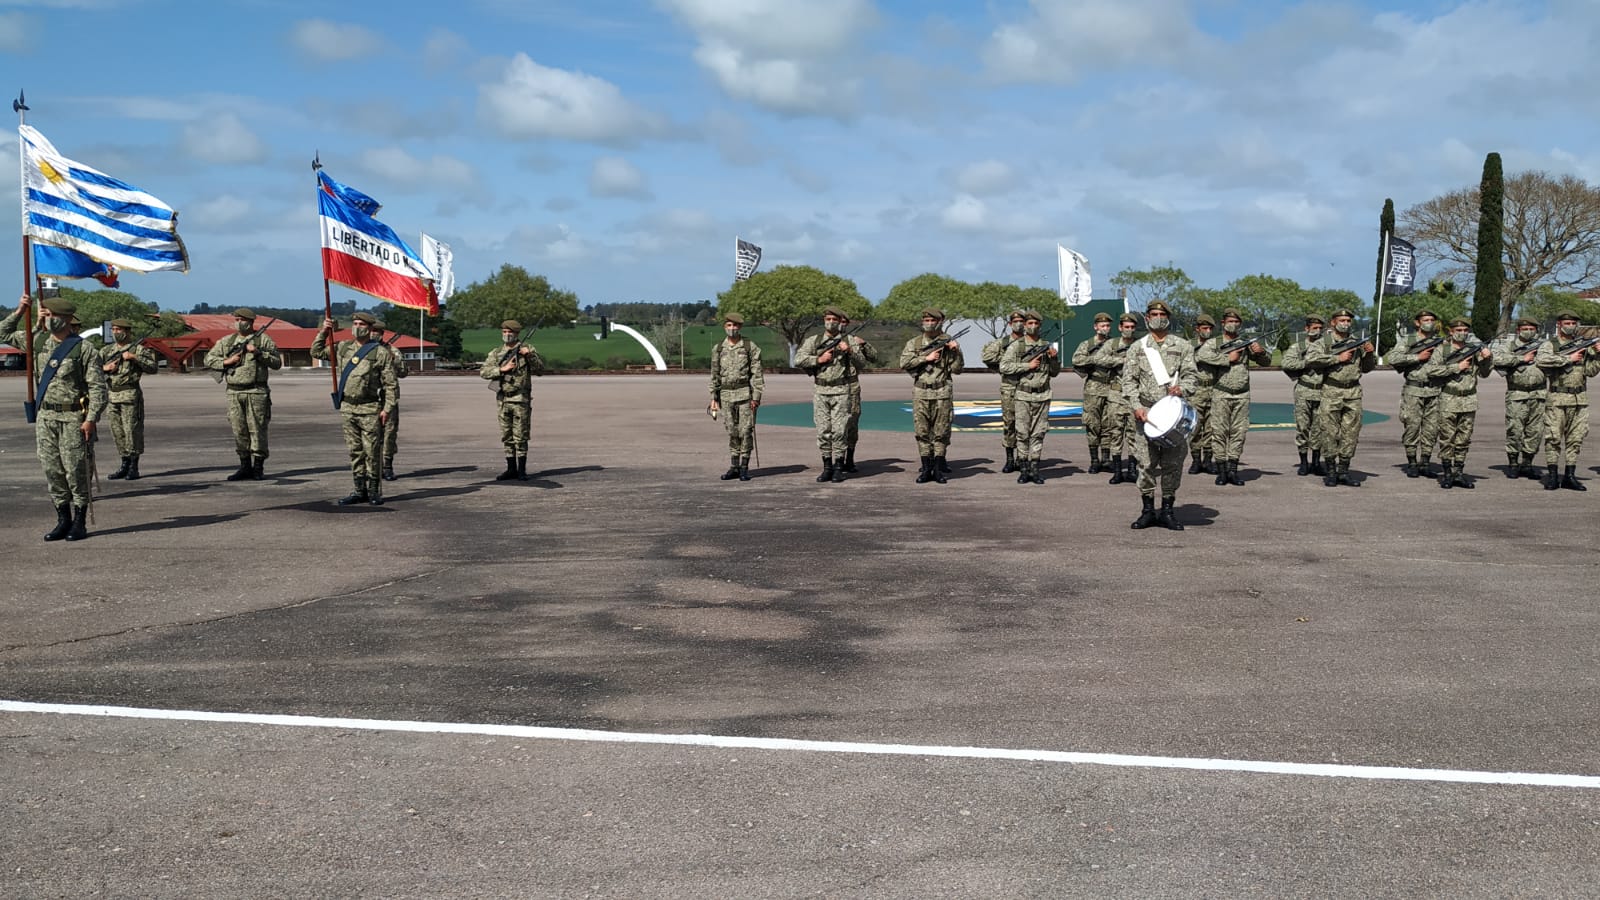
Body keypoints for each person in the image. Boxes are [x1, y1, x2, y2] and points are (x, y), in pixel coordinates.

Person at [2, 294, 107, 541]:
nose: (47, 320)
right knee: (52, 470)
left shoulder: (83, 348)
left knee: (76, 470)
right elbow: (3, 334)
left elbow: (98, 389)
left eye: (51, 316)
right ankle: (63, 519)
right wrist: (20, 311)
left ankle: (79, 521)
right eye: (45, 315)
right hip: (46, 417)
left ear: (66, 319)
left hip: (74, 418)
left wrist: (91, 419)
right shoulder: (37, 341)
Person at [1122, 300, 1197, 530]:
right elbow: (1128, 381)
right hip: (1146, 415)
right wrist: (1136, 406)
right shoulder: (1138, 347)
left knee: (1173, 464)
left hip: (1172, 414)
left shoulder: (1182, 346)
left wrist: (1182, 388)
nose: (1158, 317)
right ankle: (1147, 511)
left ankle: (1167, 510)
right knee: (1146, 464)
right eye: (1153, 314)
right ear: (1147, 318)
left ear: (1168, 318)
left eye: (1162, 314)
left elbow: (1191, 376)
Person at [313, 313, 399, 505]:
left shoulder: (379, 352)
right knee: (355, 451)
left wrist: (387, 409)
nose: (357, 327)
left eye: (361, 324)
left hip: (369, 407)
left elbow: (391, 385)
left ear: (369, 328)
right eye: (355, 323)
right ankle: (359, 489)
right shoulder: (343, 348)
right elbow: (316, 352)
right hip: (348, 407)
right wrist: (325, 332)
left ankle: (374, 491)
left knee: (372, 451)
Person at [203, 307, 282, 481]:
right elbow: (208, 359)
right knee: (239, 430)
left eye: (242, 320)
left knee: (257, 429)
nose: (239, 323)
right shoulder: (227, 341)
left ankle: (258, 467)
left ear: (251, 322)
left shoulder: (263, 340)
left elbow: (277, 363)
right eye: (237, 320)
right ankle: (244, 465)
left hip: (256, 391)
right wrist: (227, 361)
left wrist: (258, 352)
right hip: (234, 392)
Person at [1195, 308, 1271, 486]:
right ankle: (1221, 471)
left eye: (1236, 322)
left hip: (1242, 395)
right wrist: (1227, 358)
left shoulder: (1244, 343)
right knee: (1219, 433)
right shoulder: (1215, 343)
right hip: (1221, 393)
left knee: (1239, 433)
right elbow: (1201, 355)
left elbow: (1265, 362)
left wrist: (1260, 352)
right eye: (1230, 321)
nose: (1233, 324)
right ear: (1223, 324)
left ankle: (1233, 469)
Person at [1304, 307, 1376, 486]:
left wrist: (1369, 353)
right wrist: (1337, 358)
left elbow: (1366, 368)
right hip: (1331, 391)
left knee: (1350, 433)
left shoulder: (1356, 342)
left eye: (1348, 321)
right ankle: (1330, 471)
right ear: (1333, 323)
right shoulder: (1324, 341)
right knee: (1329, 433)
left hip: (1353, 392)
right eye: (1341, 321)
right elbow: (1311, 360)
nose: (1345, 324)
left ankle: (1343, 470)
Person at [795, 306, 867, 482]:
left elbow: (862, 363)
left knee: (839, 431)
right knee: (823, 431)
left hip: (842, 391)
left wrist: (849, 350)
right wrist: (818, 360)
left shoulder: (849, 340)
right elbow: (798, 359)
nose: (831, 322)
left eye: (835, 319)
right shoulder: (814, 340)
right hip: (821, 390)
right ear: (824, 321)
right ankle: (826, 466)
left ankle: (838, 467)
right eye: (828, 319)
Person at [1423, 317, 1494, 488]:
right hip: (1449, 398)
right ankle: (1447, 473)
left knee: (1464, 438)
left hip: (1469, 399)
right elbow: (1431, 371)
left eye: (1465, 331)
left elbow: (1484, 374)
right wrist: (1457, 367)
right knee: (1447, 438)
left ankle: (1459, 473)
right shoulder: (1442, 350)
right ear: (1451, 331)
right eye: (1458, 330)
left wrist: (1487, 359)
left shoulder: (1473, 350)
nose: (1462, 334)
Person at [1535, 310, 1600, 491]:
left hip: (1579, 399)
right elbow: (1541, 361)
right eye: (1567, 323)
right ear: (1559, 325)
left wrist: (1597, 355)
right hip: (1557, 398)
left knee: (1575, 439)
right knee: (1553, 438)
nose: (1571, 326)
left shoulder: (1582, 345)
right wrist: (1567, 358)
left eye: (1573, 323)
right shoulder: (1551, 344)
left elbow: (1590, 371)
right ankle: (1553, 475)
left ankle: (1570, 476)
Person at [899, 307, 963, 483]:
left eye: (932, 321)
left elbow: (957, 369)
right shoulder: (915, 343)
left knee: (941, 432)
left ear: (939, 322)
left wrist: (955, 351)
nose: (929, 323)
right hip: (921, 392)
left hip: (942, 392)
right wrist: (925, 359)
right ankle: (926, 468)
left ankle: (937, 469)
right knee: (922, 432)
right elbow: (904, 362)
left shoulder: (949, 342)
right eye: (926, 321)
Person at [998, 309, 1061, 484]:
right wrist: (1027, 365)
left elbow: (1054, 373)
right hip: (1023, 395)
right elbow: (1005, 367)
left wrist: (1054, 359)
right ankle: (1023, 469)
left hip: (1042, 395)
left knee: (1039, 433)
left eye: (1036, 324)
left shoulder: (1046, 345)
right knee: (1022, 432)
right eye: (1029, 323)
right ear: (1025, 325)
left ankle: (1035, 468)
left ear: (1040, 326)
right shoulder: (1016, 346)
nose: (1032, 326)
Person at [480, 319, 546, 481]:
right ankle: (511, 469)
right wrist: (501, 369)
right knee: (506, 435)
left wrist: (528, 356)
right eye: (504, 332)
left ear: (517, 334)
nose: (507, 335)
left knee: (521, 435)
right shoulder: (496, 353)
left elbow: (540, 370)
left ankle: (522, 470)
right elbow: (484, 372)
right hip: (503, 399)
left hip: (521, 399)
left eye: (510, 332)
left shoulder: (527, 349)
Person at [1383, 309, 1444, 478]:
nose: (1429, 322)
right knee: (1412, 427)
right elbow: (1393, 358)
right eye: (1425, 319)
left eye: (1432, 319)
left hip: (1435, 391)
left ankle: (1425, 462)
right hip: (1413, 390)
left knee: (1432, 429)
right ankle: (1411, 462)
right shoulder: (1409, 340)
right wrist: (1417, 357)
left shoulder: (1440, 342)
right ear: (1417, 323)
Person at [99, 317, 159, 481]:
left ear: (127, 332)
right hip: (112, 395)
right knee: (117, 431)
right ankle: (124, 463)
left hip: (130, 394)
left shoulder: (138, 349)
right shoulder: (106, 351)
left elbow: (153, 368)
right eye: (114, 330)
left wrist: (134, 358)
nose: (116, 332)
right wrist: (106, 368)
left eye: (119, 330)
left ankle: (134, 466)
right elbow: (93, 368)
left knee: (131, 431)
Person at [1491, 317, 1548, 479]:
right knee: (1514, 430)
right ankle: (1513, 463)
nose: (1529, 331)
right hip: (1517, 394)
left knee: (1535, 431)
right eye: (1525, 328)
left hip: (1539, 394)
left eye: (1532, 329)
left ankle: (1527, 463)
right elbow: (1496, 359)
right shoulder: (1509, 346)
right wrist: (1521, 359)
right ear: (1518, 330)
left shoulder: (1543, 346)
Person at [708, 311, 763, 481]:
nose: (732, 329)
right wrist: (713, 397)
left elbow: (757, 373)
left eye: (736, 325)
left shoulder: (749, 347)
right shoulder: (718, 348)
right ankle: (734, 466)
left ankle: (745, 466)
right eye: (729, 325)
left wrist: (756, 397)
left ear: (740, 327)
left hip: (744, 393)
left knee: (745, 431)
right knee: (731, 430)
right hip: (725, 394)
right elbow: (714, 374)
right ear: (725, 327)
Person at [1094, 313, 1141, 485]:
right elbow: (1098, 358)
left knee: (1134, 434)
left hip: (1134, 396)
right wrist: (1120, 360)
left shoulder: (1140, 345)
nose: (1129, 330)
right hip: (1115, 395)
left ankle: (1132, 469)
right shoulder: (1112, 344)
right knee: (1115, 433)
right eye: (1126, 327)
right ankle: (1116, 471)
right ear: (1120, 328)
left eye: (1132, 327)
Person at [1279, 315, 1327, 476]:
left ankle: (1316, 462)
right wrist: (1308, 362)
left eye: (1320, 328)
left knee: (1320, 428)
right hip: (1304, 390)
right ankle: (1304, 462)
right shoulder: (1299, 346)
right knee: (1303, 427)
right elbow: (1286, 364)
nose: (1317, 331)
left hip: (1323, 391)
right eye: (1314, 328)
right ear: (1306, 329)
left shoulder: (1327, 346)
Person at [1071, 312, 1116, 473]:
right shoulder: (1087, 344)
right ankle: (1094, 460)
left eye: (1108, 325)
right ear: (1095, 327)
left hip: (1111, 387)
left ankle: (1106, 459)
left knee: (1108, 425)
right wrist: (1095, 358)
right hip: (1093, 388)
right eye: (1102, 325)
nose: (1105, 328)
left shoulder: (1114, 344)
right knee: (1092, 424)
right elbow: (1076, 360)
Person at [981, 310, 1027, 473]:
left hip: (1027, 386)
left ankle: (1023, 459)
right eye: (1015, 321)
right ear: (1009, 324)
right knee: (1009, 423)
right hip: (1009, 386)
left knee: (1025, 425)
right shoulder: (1003, 342)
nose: (1019, 324)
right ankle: (1009, 459)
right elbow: (986, 356)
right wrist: (1006, 362)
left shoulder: (1030, 342)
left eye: (1022, 321)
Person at [838, 310, 877, 473]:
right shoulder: (821, 340)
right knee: (835, 426)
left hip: (852, 387)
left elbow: (873, 357)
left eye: (843, 322)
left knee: (852, 424)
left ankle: (850, 459)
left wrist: (863, 344)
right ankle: (835, 460)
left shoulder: (853, 341)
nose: (839, 324)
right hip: (833, 386)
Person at [370, 322, 407, 481]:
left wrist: (393, 360)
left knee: (389, 433)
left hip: (388, 397)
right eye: (371, 331)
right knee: (370, 433)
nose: (373, 334)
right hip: (368, 397)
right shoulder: (361, 350)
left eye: (377, 332)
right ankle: (370, 468)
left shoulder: (392, 350)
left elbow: (404, 372)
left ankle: (387, 466)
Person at [1187, 314, 1217, 476]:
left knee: (1211, 427)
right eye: (1204, 328)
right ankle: (1196, 460)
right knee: (1195, 427)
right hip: (1195, 391)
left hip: (1213, 389)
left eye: (1210, 328)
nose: (1207, 331)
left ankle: (1208, 460)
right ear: (1197, 329)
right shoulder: (1188, 346)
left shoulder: (1216, 345)